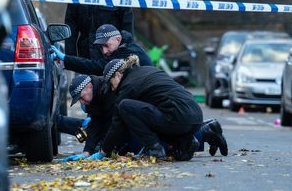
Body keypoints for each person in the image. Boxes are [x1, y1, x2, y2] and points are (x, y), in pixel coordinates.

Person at [61, 71, 228, 161]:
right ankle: (203, 133)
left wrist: (103, 151)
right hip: (160, 115)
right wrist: (87, 152)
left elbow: (116, 123)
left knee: (138, 141)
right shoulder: (96, 98)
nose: (81, 102)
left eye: (81, 97)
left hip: (153, 117)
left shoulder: (110, 91)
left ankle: (204, 132)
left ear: (89, 86)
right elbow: (97, 123)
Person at [87, 55, 207, 161]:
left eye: (110, 84)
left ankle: (154, 149)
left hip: (178, 117)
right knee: (145, 115)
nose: (112, 89)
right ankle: (185, 141)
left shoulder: (128, 85)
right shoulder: (147, 70)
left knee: (124, 107)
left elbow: (117, 124)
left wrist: (103, 152)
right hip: (196, 116)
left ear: (118, 75)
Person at [52, 24, 150, 75]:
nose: (104, 51)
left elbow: (96, 67)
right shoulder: (124, 46)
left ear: (118, 39)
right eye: (101, 47)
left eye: (106, 45)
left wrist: (64, 58)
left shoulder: (127, 51)